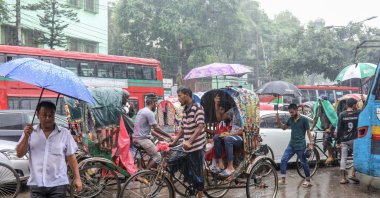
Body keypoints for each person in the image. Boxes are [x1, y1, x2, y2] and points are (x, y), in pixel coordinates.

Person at [16, 101, 82, 197]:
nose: (48, 118)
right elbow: (19, 154)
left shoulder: (64, 133)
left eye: (51, 115)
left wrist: (77, 178)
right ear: (38, 115)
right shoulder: (30, 132)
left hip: (58, 184)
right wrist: (26, 137)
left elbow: (71, 157)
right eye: (44, 115)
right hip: (36, 184)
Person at [170, 86, 206, 198]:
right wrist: (174, 141)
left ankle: (200, 195)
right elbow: (182, 128)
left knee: (197, 173)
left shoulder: (197, 107)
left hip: (197, 146)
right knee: (175, 163)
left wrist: (190, 141)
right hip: (187, 146)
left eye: (180, 96)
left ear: (187, 95)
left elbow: (200, 126)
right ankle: (192, 185)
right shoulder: (185, 109)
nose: (178, 98)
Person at [276, 103, 314, 187]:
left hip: (300, 145)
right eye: (290, 112)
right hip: (292, 144)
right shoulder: (290, 119)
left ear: (296, 110)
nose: (291, 114)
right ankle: (283, 179)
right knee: (283, 159)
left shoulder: (304, 120)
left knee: (304, 162)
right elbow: (284, 128)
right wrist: (278, 120)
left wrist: (311, 143)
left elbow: (308, 132)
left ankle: (308, 180)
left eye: (292, 112)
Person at [132, 94, 174, 169]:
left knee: (155, 151)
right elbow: (156, 128)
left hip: (137, 137)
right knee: (157, 156)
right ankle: (147, 173)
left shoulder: (142, 110)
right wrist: (170, 136)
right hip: (142, 139)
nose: (157, 105)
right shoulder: (149, 113)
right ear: (152, 102)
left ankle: (150, 170)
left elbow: (150, 129)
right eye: (156, 103)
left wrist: (159, 136)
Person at [213, 107, 243, 177]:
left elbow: (244, 130)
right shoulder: (233, 110)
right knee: (217, 137)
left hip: (241, 137)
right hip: (231, 135)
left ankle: (230, 167)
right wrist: (216, 105)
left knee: (227, 139)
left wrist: (229, 134)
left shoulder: (243, 111)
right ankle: (220, 164)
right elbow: (220, 119)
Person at [336, 98, 360, 184]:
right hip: (355, 139)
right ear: (353, 105)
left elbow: (339, 129)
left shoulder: (342, 114)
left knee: (343, 158)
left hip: (344, 140)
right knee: (356, 157)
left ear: (346, 105)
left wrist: (338, 141)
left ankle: (343, 178)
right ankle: (353, 174)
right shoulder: (358, 113)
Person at [310, 95, 338, 165]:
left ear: (324, 102)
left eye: (321, 101)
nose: (319, 102)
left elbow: (333, 120)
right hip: (324, 127)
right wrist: (312, 128)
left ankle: (330, 156)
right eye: (319, 101)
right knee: (314, 136)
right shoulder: (319, 108)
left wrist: (329, 128)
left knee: (326, 139)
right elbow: (315, 118)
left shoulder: (329, 108)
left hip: (331, 127)